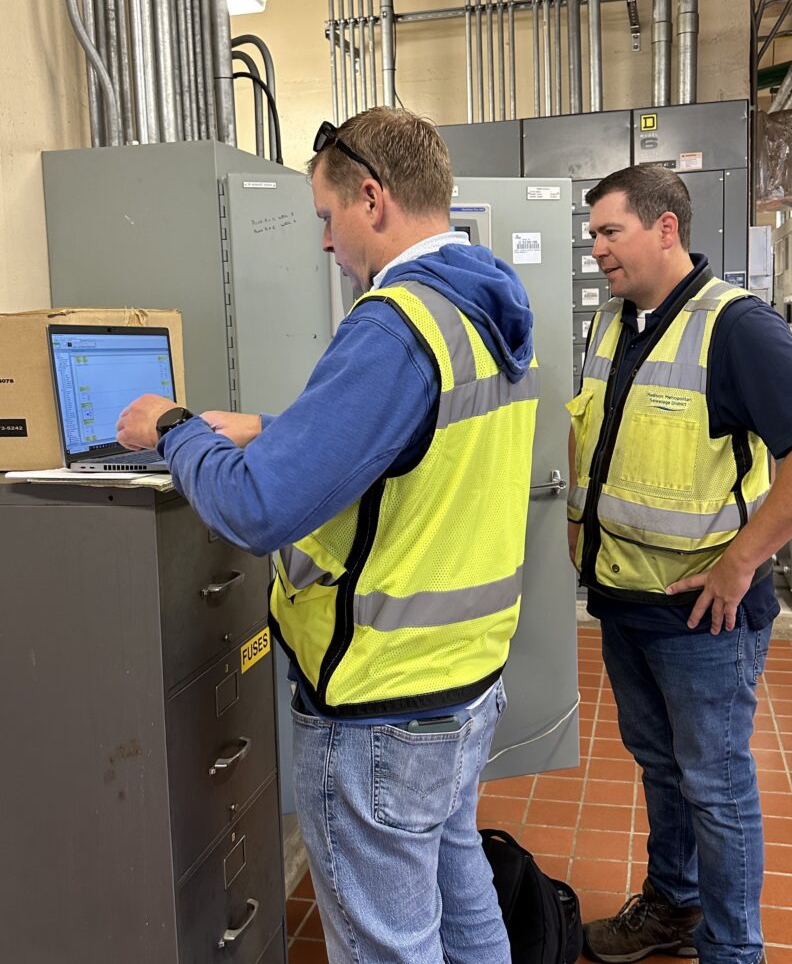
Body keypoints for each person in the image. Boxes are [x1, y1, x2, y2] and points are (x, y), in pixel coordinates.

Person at [116, 106, 540, 964]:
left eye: (325, 216)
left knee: (391, 945)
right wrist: (277, 427)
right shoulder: (484, 307)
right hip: (461, 685)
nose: (322, 241)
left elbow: (258, 510)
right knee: (463, 911)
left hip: (380, 709)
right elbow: (412, 447)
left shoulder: (394, 323)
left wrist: (174, 426)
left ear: (372, 199)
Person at [567, 164, 792, 964]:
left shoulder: (734, 328)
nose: (596, 249)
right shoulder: (613, 323)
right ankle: (673, 907)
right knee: (659, 767)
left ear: (665, 228)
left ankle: (733, 950)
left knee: (714, 785)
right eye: (592, 235)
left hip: (701, 618)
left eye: (610, 232)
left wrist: (742, 562)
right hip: (624, 602)